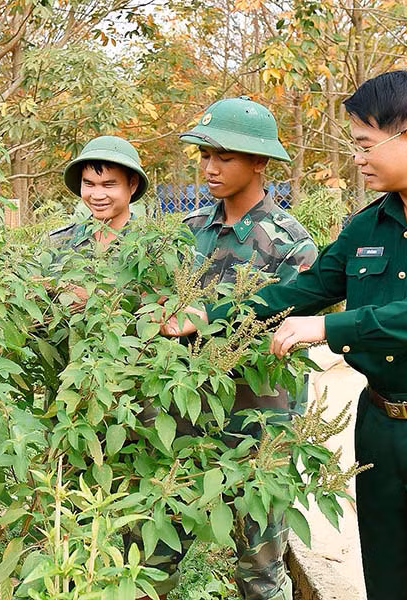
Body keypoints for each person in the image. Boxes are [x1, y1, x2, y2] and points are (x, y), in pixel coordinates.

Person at [165, 71, 407, 600]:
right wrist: (210, 315)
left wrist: (328, 329)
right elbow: (307, 289)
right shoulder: (368, 224)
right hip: (380, 422)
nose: (357, 157)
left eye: (363, 144)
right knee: (388, 580)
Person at [128, 97, 317, 600]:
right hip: (184, 417)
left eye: (224, 157)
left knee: (258, 566)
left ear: (260, 162)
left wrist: (203, 322)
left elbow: (286, 328)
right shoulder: (188, 231)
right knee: (151, 556)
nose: (210, 168)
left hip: (258, 421)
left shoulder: (290, 245)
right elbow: (155, 305)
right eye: (205, 156)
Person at [49, 135, 149, 251]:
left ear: (132, 184)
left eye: (108, 185)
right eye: (89, 184)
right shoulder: (59, 244)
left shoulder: (155, 246)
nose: (97, 195)